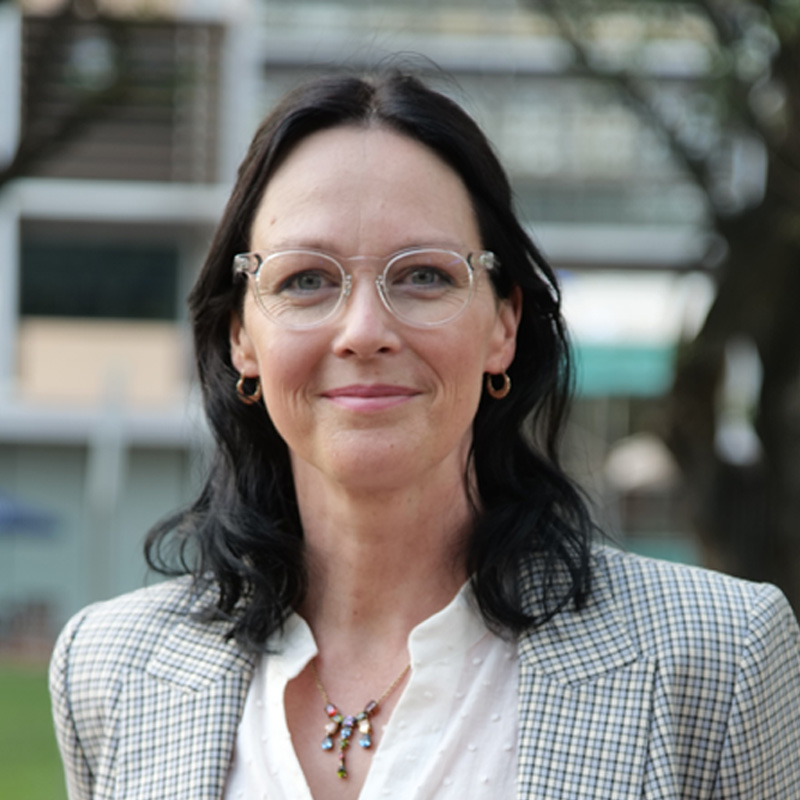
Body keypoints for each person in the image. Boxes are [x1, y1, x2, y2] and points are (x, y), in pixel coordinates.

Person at [50, 68, 800, 800]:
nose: (365, 331)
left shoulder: (716, 656)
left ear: (503, 323)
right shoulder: (109, 667)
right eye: (306, 279)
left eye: (425, 276)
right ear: (241, 336)